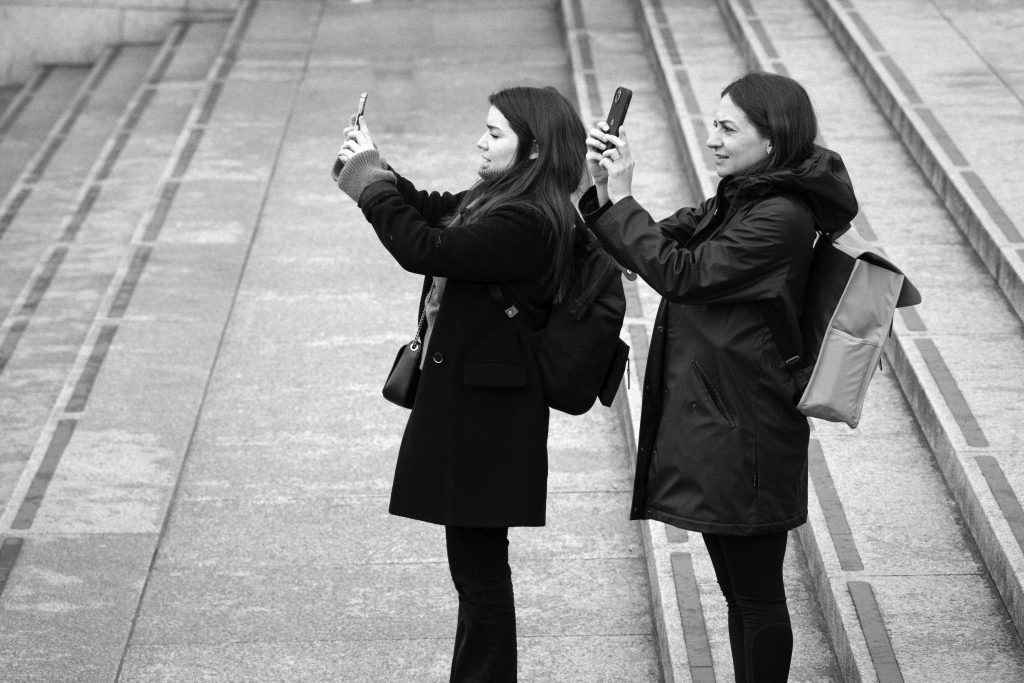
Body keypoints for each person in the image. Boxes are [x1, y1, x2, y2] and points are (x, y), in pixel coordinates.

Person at [580, 72, 858, 682]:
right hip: (724, 414)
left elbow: (682, 273)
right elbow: (657, 242)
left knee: (755, 594)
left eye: (728, 128)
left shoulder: (779, 216)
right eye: (713, 123)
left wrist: (623, 198)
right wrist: (603, 191)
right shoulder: (741, 197)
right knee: (740, 592)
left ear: (773, 141)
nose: (711, 139)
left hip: (749, 423)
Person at [333, 85, 587, 682]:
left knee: (480, 577)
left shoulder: (527, 221)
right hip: (478, 413)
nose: (481, 139)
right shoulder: (505, 197)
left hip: (489, 422)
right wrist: (374, 166)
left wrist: (370, 180)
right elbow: (433, 208)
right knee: (476, 573)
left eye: (496, 133)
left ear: (534, 150)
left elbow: (425, 247)